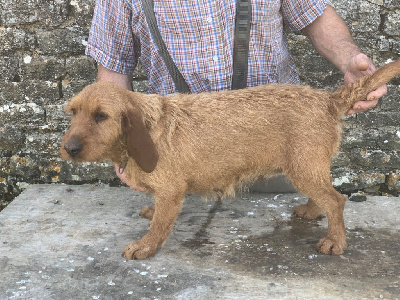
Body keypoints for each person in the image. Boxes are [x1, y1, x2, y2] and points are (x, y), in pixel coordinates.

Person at [85, 0, 387, 190]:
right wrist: (123, 147)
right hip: (177, 160)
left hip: (273, 149)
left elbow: (314, 15)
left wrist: (350, 58)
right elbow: (113, 68)